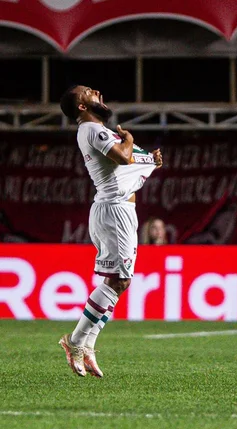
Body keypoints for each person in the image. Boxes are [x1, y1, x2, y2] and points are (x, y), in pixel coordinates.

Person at [58, 85, 163, 378]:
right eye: (88, 92)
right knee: (118, 280)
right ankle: (76, 340)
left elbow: (127, 162)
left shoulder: (95, 130)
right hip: (114, 210)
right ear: (81, 106)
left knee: (120, 282)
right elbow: (123, 157)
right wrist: (129, 141)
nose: (96, 92)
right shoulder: (92, 129)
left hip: (120, 210)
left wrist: (150, 160)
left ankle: (88, 344)